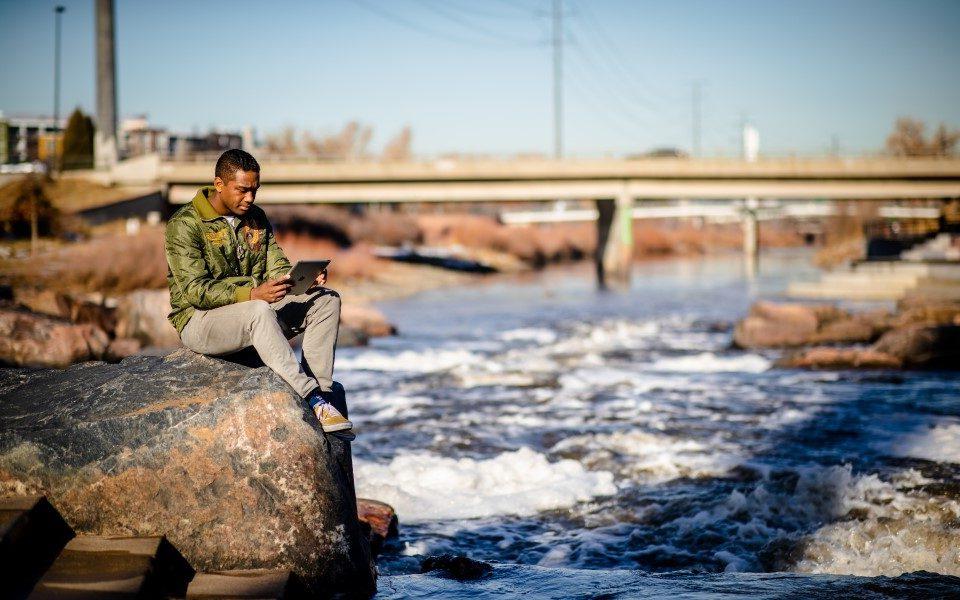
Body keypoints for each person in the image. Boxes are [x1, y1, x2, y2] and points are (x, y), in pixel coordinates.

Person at [164, 148, 352, 434]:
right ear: (219, 184)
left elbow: (274, 263)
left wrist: (301, 279)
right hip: (200, 322)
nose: (249, 198)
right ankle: (309, 396)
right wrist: (253, 293)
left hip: (254, 315)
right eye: (242, 190)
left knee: (326, 301)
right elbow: (194, 291)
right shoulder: (184, 225)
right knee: (258, 309)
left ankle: (323, 393)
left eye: (255, 190)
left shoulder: (256, 218)